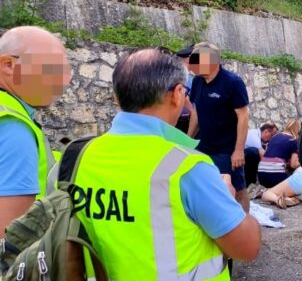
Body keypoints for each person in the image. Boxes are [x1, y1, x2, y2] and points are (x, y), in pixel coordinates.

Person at [71, 48, 260, 279]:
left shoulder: (75, 158)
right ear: (178, 94)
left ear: (116, 98)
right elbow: (248, 248)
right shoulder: (188, 169)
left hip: (224, 148)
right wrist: (225, 200)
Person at [0, 26, 71, 237]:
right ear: (9, 65)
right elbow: (10, 241)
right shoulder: (13, 127)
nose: (64, 80)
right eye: (52, 68)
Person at [188, 42, 251, 212]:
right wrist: (188, 139)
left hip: (227, 149)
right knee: (203, 187)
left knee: (237, 190)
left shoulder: (232, 82)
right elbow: (196, 111)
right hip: (204, 146)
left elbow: (243, 116)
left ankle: (244, 226)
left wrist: (238, 150)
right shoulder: (197, 82)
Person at [257, 119, 301, 188]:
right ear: (298, 129)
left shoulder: (274, 137)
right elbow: (293, 165)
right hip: (276, 176)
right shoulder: (293, 141)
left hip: (261, 174)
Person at [174, 44, 195, 134]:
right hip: (183, 119)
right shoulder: (183, 74)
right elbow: (183, 93)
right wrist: (192, 111)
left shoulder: (189, 74)